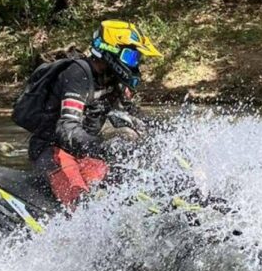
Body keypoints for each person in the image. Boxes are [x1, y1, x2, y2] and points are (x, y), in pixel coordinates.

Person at [25, 20, 161, 208]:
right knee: (84, 207)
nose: (135, 64)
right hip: (54, 151)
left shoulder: (113, 81)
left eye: (137, 59)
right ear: (110, 50)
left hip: (83, 153)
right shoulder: (78, 73)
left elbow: (136, 116)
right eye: (131, 57)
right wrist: (101, 146)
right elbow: (67, 126)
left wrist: (167, 135)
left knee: (120, 192)